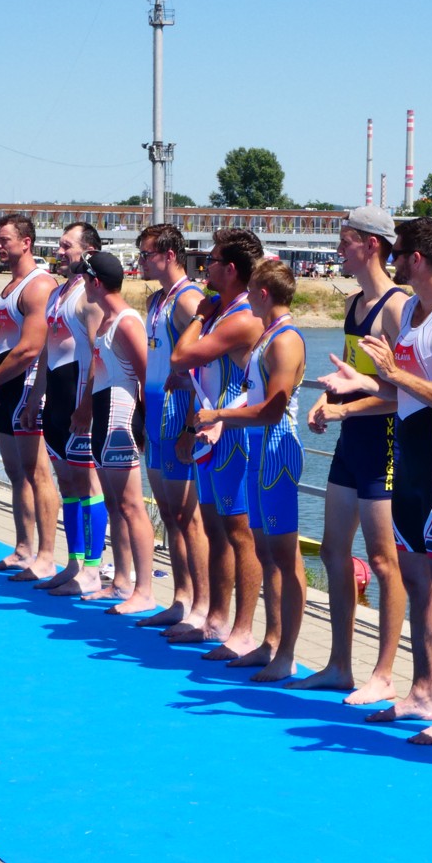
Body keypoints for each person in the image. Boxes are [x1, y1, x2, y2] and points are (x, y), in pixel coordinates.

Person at [320, 215, 432, 745]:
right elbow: (404, 392)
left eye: (397, 253)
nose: (391, 260)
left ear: (416, 259)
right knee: (417, 582)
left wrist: (391, 374)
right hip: (410, 460)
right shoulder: (414, 312)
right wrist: (364, 383)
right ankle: (422, 692)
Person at [287, 206, 408, 704]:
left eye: (346, 240)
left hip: (383, 443)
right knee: (334, 550)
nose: (338, 249)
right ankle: (339, 664)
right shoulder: (355, 303)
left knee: (383, 560)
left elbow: (401, 394)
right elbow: (355, 376)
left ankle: (384, 672)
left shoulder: (398, 308)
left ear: (372, 244)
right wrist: (328, 398)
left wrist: (345, 409)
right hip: (351, 441)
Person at [196, 260, 306, 681]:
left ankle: (286, 652)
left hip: (277, 449)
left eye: (251, 293)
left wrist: (220, 415)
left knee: (285, 557)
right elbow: (252, 394)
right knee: (266, 553)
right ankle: (271, 641)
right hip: (260, 447)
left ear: (262, 294)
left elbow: (274, 409)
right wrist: (223, 417)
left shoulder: (285, 340)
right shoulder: (267, 336)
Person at [168, 228, 265, 660]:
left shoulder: (241, 317)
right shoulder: (220, 312)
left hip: (235, 436)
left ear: (231, 269)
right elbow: (197, 377)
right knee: (215, 529)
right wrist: (189, 430)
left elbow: (180, 358)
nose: (205, 266)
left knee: (240, 534)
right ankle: (216, 619)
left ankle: (243, 630)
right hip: (209, 433)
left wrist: (197, 317)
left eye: (212, 260)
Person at [20, 222, 110, 597]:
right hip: (56, 398)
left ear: (88, 251)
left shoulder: (90, 297)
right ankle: (73, 562)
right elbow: (46, 351)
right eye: (58, 245)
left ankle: (93, 567)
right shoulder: (58, 294)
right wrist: (33, 397)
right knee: (68, 483)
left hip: (79, 399)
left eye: (66, 245)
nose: (58, 251)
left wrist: (87, 404)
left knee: (88, 484)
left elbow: (98, 355)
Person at [0, 214, 60, 581]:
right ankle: (23, 549)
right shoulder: (10, 286)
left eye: (4, 240)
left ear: (26, 243)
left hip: (28, 385)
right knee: (16, 472)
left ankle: (46, 556)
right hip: (6, 385)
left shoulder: (39, 286)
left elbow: (29, 349)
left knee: (38, 473)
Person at [133, 223, 210, 634]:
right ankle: (181, 598)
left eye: (146, 255)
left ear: (169, 255)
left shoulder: (188, 300)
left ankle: (203, 605)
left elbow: (205, 366)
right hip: (156, 413)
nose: (141, 262)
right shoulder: (155, 300)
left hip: (179, 414)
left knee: (188, 516)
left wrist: (191, 426)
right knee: (168, 513)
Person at [76, 251, 158, 615]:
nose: (81, 284)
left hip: (120, 420)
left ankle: (145, 590)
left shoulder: (126, 321)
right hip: (103, 418)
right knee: (114, 504)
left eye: (84, 279)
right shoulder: (106, 321)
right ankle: (121, 580)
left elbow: (146, 375)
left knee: (132, 506)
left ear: (95, 282)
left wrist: (147, 425)